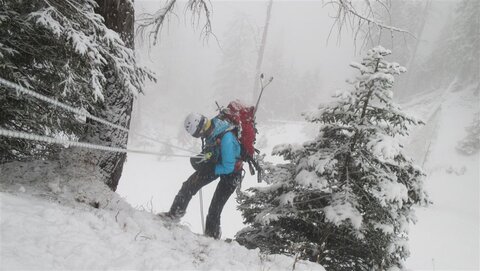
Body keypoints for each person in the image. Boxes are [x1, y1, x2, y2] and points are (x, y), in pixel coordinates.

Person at [160, 113, 243, 239]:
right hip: (216, 163)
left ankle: (212, 236)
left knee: (215, 207)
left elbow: (228, 167)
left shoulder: (226, 138)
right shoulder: (211, 130)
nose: (199, 137)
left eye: (197, 134)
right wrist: (202, 159)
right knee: (188, 186)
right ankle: (173, 215)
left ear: (202, 128)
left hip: (231, 172)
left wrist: (210, 168)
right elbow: (212, 150)